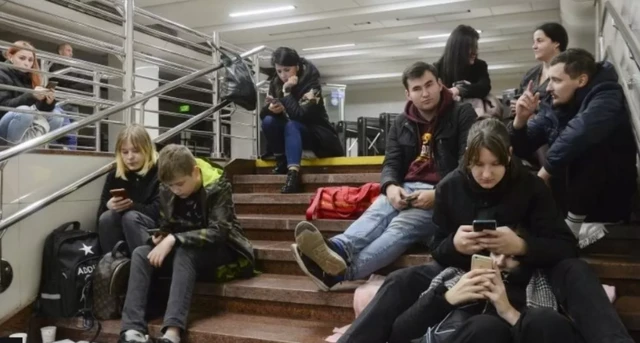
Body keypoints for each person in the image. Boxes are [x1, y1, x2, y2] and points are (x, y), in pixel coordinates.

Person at [337, 118, 578, 343]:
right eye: (479, 164)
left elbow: (565, 246)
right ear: (467, 158)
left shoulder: (531, 185)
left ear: (509, 155)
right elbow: (438, 249)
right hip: (458, 268)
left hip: (518, 275)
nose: (486, 173)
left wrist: (520, 246)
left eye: (495, 164)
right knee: (399, 280)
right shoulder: (449, 187)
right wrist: (455, 244)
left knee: (487, 327)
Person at [291, 61, 477, 291]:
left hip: (444, 196)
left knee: (400, 227)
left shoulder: (461, 113)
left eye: (429, 84)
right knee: (378, 211)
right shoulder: (402, 122)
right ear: (408, 93)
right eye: (417, 88)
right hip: (406, 188)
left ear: (440, 84)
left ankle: (340, 273)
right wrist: (390, 187)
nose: (425, 93)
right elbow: (391, 163)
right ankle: (338, 247)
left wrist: (438, 195)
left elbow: (467, 165)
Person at [118, 144, 255, 343]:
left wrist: (175, 239)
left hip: (223, 249)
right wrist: (162, 235)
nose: (175, 190)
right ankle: (132, 331)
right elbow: (167, 223)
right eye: (170, 186)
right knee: (140, 252)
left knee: (185, 252)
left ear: (195, 172)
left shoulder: (217, 185)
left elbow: (220, 232)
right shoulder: (168, 186)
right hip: (183, 244)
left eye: (180, 184)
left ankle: (172, 333)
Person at [509, 48, 637, 248]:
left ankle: (574, 228)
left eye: (557, 80)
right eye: (549, 80)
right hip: (571, 201)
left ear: (582, 80)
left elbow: (581, 130)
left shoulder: (607, 94)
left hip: (607, 200)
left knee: (584, 144)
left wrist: (544, 173)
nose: (549, 88)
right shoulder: (554, 105)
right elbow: (522, 148)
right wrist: (520, 121)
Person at [260, 47, 343, 193]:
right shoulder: (276, 83)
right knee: (268, 121)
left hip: (316, 135)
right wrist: (272, 109)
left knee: (293, 124)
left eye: (287, 70)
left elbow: (300, 116)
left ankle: (293, 174)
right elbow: (263, 114)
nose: (283, 75)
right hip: (291, 135)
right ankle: (281, 161)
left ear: (297, 67)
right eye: (279, 71)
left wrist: (286, 92)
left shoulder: (312, 85)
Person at [97, 124, 160, 254]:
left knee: (130, 217)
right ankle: (114, 266)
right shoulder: (114, 175)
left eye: (136, 151)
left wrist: (130, 206)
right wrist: (108, 206)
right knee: (107, 217)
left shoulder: (159, 172)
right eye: (124, 152)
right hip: (121, 232)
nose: (130, 157)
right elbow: (99, 217)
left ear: (147, 150)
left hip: (151, 229)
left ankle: (145, 264)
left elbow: (159, 213)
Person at [0, 41, 65, 144]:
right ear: (10, 56)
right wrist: (31, 95)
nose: (27, 63)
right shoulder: (2, 72)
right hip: (3, 124)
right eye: (22, 58)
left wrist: (47, 102)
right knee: (25, 112)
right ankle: (12, 151)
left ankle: (37, 147)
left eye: (30, 60)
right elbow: (3, 106)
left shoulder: (30, 77)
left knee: (57, 116)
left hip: (24, 122)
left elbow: (36, 108)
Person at [510, 22, 569, 116]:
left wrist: (537, 108)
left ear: (556, 43)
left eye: (540, 41)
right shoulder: (530, 74)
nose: (534, 46)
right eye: (534, 42)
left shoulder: (569, 71)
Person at [435, 24, 492, 115]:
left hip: (475, 118)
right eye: (471, 47)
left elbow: (484, 87)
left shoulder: (479, 66)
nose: (475, 52)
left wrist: (460, 90)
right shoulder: (437, 69)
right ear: (459, 48)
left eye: (476, 47)